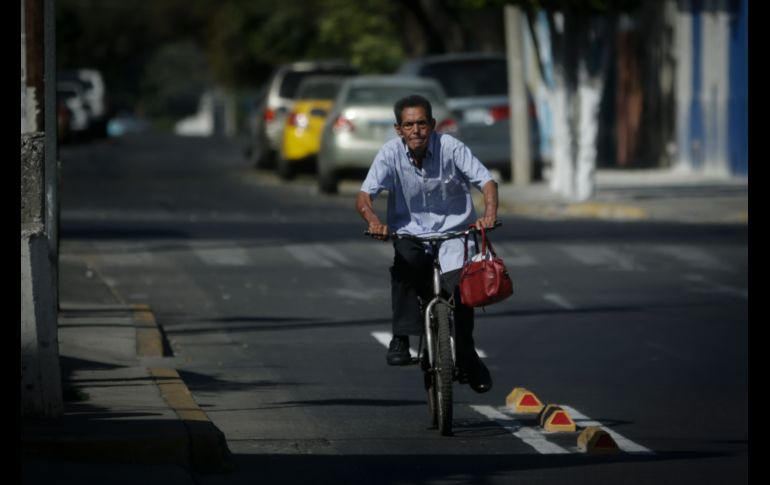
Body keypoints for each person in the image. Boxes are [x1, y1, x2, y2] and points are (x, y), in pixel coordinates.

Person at [356, 94, 498, 393]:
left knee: (462, 290)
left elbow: (486, 181)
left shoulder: (451, 147)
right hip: (410, 234)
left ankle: (467, 355)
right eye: (409, 125)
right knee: (404, 264)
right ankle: (401, 337)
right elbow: (365, 195)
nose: (416, 131)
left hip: (455, 234)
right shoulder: (389, 153)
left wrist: (489, 215)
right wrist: (374, 221)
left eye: (422, 123)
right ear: (398, 129)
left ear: (433, 125)